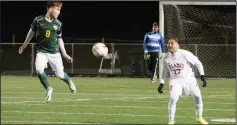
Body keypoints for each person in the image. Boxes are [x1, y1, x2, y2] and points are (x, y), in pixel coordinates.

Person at [18, 1, 76, 103]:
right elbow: (31, 33)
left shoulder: (58, 24)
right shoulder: (38, 20)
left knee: (60, 75)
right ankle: (48, 88)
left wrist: (65, 54)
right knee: (39, 70)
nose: (59, 12)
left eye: (59, 10)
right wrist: (24, 45)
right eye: (57, 9)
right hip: (41, 51)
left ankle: (69, 82)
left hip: (54, 53)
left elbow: (60, 39)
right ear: (50, 9)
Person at [157, 37, 208, 124]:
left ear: (177, 44)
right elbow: (164, 72)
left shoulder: (185, 53)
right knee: (173, 98)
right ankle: (171, 121)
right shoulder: (165, 57)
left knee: (198, 97)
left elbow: (198, 63)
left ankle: (199, 117)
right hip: (175, 80)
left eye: (172, 43)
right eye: (168, 43)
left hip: (189, 79)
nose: (169, 45)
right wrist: (162, 83)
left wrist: (202, 76)